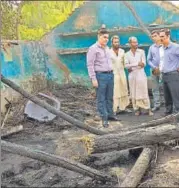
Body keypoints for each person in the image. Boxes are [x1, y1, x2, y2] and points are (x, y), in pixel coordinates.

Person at [86, 26, 120, 128]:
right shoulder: (93, 49)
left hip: (110, 75)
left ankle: (110, 115)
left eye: (107, 38)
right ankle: (104, 118)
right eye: (104, 37)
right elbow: (90, 65)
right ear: (99, 37)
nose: (106, 39)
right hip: (100, 76)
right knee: (101, 98)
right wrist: (93, 78)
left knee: (110, 97)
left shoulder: (107, 49)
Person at [124, 36, 153, 116]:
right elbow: (126, 66)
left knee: (144, 91)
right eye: (134, 42)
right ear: (130, 44)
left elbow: (143, 64)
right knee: (134, 92)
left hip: (140, 74)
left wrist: (131, 66)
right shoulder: (127, 54)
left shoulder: (141, 52)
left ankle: (148, 109)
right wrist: (136, 63)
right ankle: (137, 109)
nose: (136, 43)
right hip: (132, 76)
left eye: (136, 42)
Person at [159, 28, 179, 117]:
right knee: (167, 96)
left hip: (173, 75)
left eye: (163, 36)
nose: (161, 38)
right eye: (160, 37)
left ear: (168, 36)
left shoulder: (175, 47)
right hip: (164, 74)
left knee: (176, 95)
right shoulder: (161, 49)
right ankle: (168, 112)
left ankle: (178, 113)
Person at [109, 35, 131, 114]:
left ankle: (123, 107)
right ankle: (114, 109)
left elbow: (125, 63)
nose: (116, 43)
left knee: (124, 89)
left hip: (122, 73)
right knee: (115, 91)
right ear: (111, 43)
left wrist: (129, 68)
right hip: (114, 73)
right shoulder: (109, 52)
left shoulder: (122, 51)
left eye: (118, 42)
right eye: (115, 42)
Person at [147, 29, 162, 112]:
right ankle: (157, 105)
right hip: (154, 70)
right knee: (155, 88)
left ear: (159, 36)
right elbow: (148, 60)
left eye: (155, 36)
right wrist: (154, 67)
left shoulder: (164, 46)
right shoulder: (151, 47)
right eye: (152, 36)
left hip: (164, 70)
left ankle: (170, 104)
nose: (153, 38)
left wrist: (161, 67)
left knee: (168, 88)